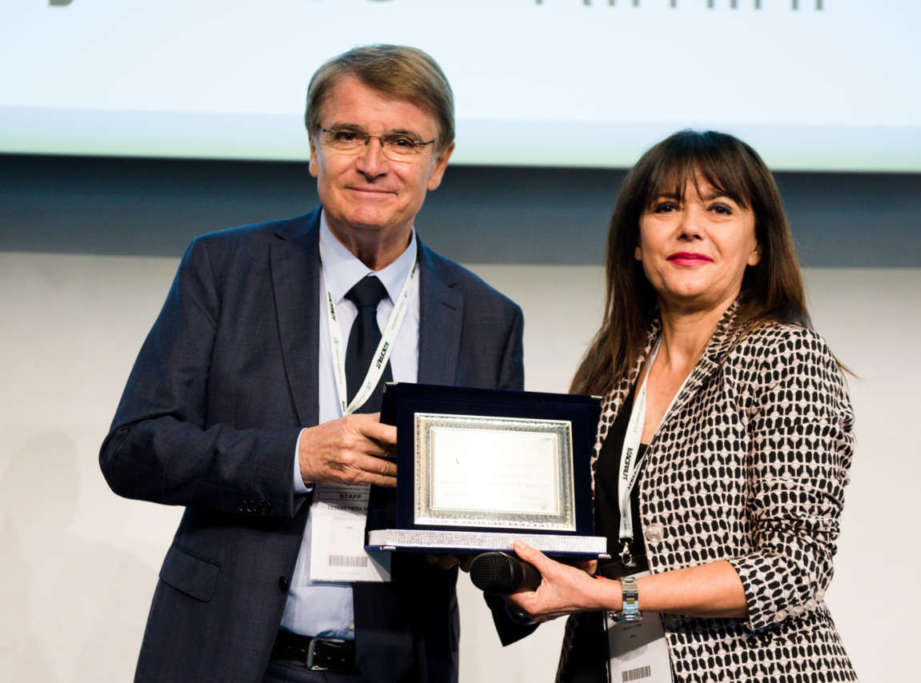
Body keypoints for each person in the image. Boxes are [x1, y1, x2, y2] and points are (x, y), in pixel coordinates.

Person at [99, 45, 527, 682]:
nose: (374, 163)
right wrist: (296, 458)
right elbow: (134, 449)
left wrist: (513, 556)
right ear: (313, 148)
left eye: (404, 141)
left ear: (439, 163)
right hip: (230, 657)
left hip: (399, 665)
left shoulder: (488, 318)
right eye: (348, 135)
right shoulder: (225, 269)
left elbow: (492, 510)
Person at [505, 130, 857, 681]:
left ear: (758, 245)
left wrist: (612, 594)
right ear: (638, 243)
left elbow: (795, 565)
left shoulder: (785, 354)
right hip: (603, 663)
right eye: (666, 207)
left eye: (719, 208)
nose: (689, 226)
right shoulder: (610, 370)